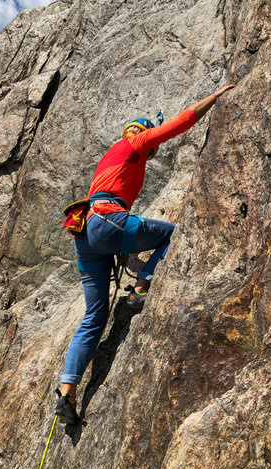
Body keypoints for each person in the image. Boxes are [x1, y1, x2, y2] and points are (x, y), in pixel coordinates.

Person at [54, 84, 235, 423]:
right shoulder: (134, 141)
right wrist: (215, 96)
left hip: (86, 235)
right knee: (175, 235)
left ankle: (67, 393)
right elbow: (180, 124)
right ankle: (141, 288)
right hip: (108, 220)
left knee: (94, 316)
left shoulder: (110, 158)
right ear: (141, 133)